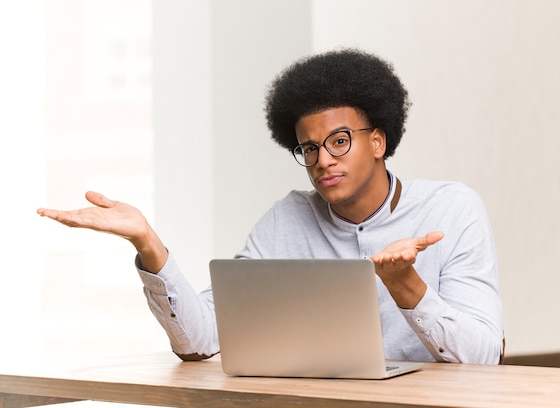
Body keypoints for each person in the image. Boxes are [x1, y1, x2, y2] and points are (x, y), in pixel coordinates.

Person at [37, 48, 503, 364]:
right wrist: (149, 244)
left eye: (339, 141)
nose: (323, 161)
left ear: (378, 141)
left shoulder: (453, 210)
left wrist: (407, 287)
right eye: (309, 148)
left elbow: (483, 356)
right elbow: (203, 340)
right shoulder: (287, 219)